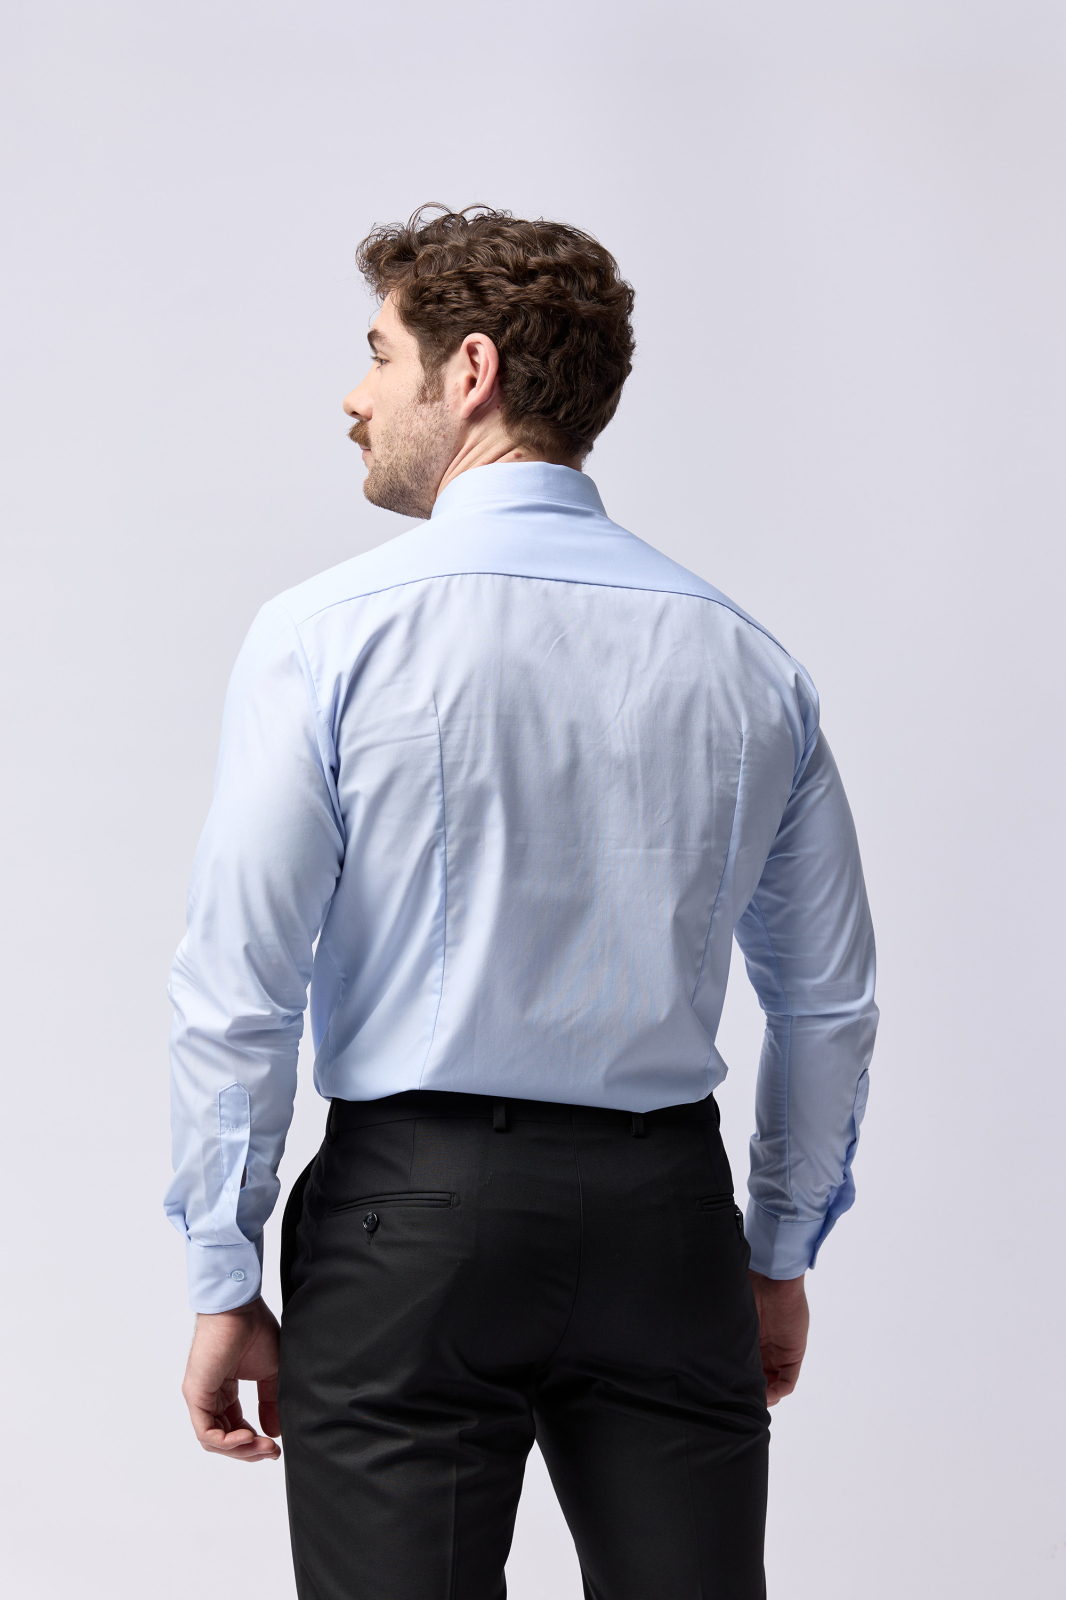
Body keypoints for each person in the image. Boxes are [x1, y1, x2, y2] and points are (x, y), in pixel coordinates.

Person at [167, 206, 878, 1600]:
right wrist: (777, 1251)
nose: (355, 394)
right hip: (668, 1223)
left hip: (409, 1223)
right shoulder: (745, 659)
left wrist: (220, 1268)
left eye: (382, 355)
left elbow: (239, 985)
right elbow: (826, 1003)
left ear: (471, 370)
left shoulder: (325, 637)